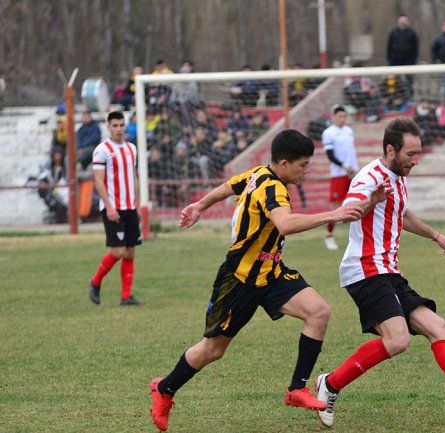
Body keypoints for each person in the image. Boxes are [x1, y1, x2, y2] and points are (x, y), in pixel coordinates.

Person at [148, 129, 378, 432]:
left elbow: (229, 186)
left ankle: (297, 389)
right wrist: (332, 214)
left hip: (271, 274)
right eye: (303, 165)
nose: (306, 171)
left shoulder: (259, 173)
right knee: (212, 350)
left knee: (318, 312)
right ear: (283, 163)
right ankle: (164, 388)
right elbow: (285, 224)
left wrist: (200, 206)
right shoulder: (274, 189)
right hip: (239, 278)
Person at [313, 118, 445, 427]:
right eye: (410, 154)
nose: (416, 160)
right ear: (390, 149)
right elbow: (348, 212)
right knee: (397, 341)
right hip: (365, 269)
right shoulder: (369, 177)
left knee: (439, 328)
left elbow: (402, 214)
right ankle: (329, 385)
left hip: (389, 270)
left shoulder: (398, 177)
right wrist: (371, 199)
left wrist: (436, 235)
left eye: (419, 153)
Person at [87, 111, 143, 307]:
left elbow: (133, 176)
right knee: (118, 252)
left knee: (129, 252)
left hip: (129, 207)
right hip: (113, 208)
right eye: (115, 126)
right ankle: (95, 282)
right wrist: (109, 206)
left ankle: (126, 296)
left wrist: (137, 202)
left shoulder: (131, 148)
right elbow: (98, 180)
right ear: (108, 127)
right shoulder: (102, 150)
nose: (119, 129)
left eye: (121, 125)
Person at [322, 105, 359, 250]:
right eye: (340, 116)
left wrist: (354, 168)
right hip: (339, 174)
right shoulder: (328, 133)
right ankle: (329, 236)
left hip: (352, 173)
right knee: (335, 206)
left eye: (344, 116)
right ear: (333, 117)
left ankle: (358, 239)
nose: (343, 119)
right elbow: (330, 155)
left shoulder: (348, 131)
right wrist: (344, 166)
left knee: (357, 203)